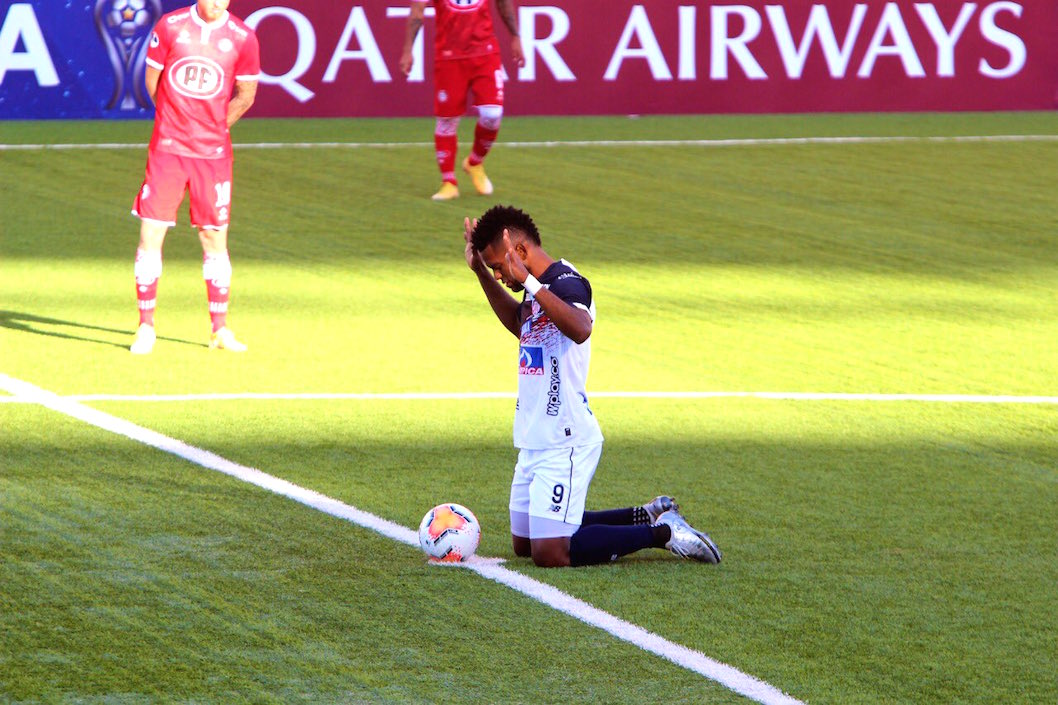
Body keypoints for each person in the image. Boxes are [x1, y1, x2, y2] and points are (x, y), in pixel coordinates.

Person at [464, 205, 723, 567]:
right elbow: (520, 324)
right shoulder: (535, 289)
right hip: (534, 437)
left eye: (498, 266)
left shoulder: (568, 282)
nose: (500, 275)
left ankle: (665, 534)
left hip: (565, 438)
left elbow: (581, 327)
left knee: (550, 552)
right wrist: (481, 273)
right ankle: (645, 515)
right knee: (525, 543)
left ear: (519, 253)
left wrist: (528, 282)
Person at [129, 0, 260, 354]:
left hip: (213, 155)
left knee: (214, 237)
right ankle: (145, 326)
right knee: (151, 232)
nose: (218, 3)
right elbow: (152, 83)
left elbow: (246, 94)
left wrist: (214, 128)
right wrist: (175, 126)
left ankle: (219, 329)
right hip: (168, 150)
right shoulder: (170, 27)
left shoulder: (243, 37)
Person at [399, 0, 525, 201]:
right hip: (449, 56)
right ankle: (449, 182)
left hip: (485, 51)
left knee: (492, 114)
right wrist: (408, 50)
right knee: (447, 119)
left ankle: (474, 162)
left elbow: (503, 3)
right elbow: (417, 11)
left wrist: (515, 37)